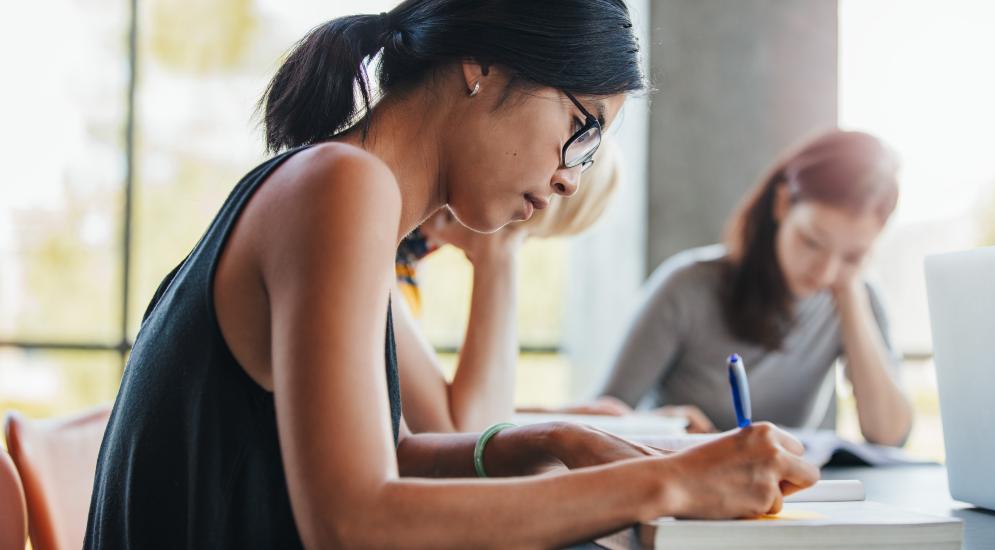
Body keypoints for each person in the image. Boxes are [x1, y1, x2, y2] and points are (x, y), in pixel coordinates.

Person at [85, 2, 818, 548]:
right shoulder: (341, 185)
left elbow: (392, 452)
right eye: (581, 129)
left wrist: (554, 440)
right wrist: (667, 479)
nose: (569, 179)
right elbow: (352, 520)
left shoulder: (339, 187)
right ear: (481, 66)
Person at [594, 130, 913, 445]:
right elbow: (599, 420)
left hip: (785, 492)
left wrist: (850, 296)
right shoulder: (688, 286)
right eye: (812, 242)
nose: (826, 271)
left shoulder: (856, 296)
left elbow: (889, 436)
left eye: (853, 256)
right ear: (783, 203)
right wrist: (661, 427)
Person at [395, 141, 631, 434]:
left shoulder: (407, 256)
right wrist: (497, 255)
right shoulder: (383, 250)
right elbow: (470, 437)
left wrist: (549, 416)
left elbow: (404, 407)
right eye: (523, 235)